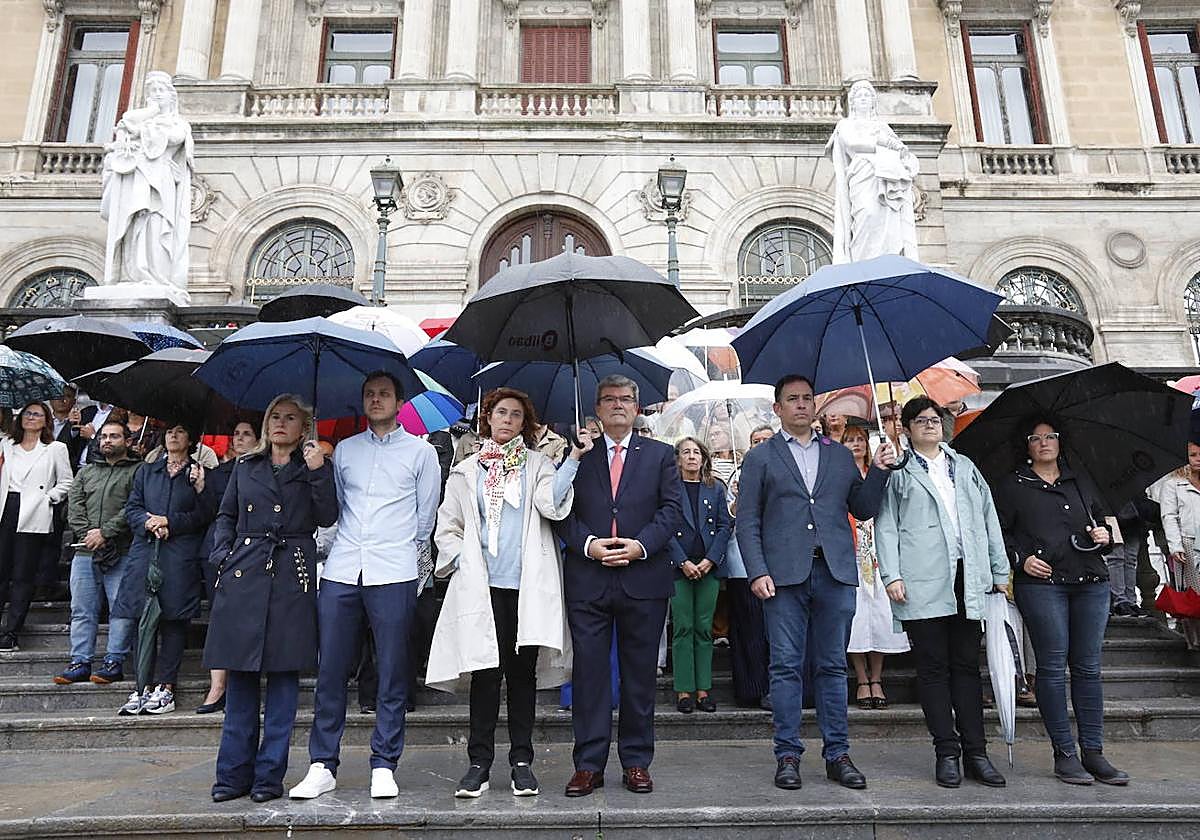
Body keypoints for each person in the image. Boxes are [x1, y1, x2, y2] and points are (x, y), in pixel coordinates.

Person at [429, 387, 590, 799]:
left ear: (525, 423)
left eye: (516, 415)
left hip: (525, 586)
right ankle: (478, 763)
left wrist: (573, 458)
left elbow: (553, 506)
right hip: (482, 588)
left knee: (521, 677)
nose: (507, 420)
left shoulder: (537, 465)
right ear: (488, 417)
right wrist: (462, 561)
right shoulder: (467, 468)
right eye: (501, 412)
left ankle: (522, 761)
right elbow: (448, 527)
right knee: (485, 674)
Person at [736, 374, 894, 791]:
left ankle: (837, 754)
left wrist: (878, 470)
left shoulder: (839, 456)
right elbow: (747, 520)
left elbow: (861, 509)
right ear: (778, 408)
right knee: (785, 667)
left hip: (836, 573)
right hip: (783, 578)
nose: (802, 405)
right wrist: (757, 571)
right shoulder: (761, 457)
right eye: (793, 399)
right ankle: (787, 755)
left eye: (808, 399)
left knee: (832, 666)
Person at [289, 372, 441, 801]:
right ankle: (322, 763)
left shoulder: (421, 452)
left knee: (393, 670)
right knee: (331, 670)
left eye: (384, 394)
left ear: (399, 402)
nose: (376, 400)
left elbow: (425, 517)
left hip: (393, 569)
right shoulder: (346, 452)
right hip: (342, 569)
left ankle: (384, 761)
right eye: (370, 394)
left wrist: (415, 570)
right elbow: (334, 509)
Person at [555, 374, 683, 797]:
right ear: (596, 408)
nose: (617, 405)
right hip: (589, 579)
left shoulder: (662, 455)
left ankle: (635, 761)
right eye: (609, 399)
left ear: (637, 406)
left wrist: (640, 546)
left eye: (625, 399)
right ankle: (588, 764)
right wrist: (589, 546)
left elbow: (671, 511)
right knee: (590, 677)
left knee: (639, 678)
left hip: (642, 578)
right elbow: (559, 512)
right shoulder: (578, 457)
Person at [204, 395, 337, 803]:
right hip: (243, 572)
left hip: (290, 576)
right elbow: (226, 514)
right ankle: (231, 776)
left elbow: (327, 516)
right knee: (240, 681)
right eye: (275, 417)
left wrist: (317, 472)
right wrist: (222, 554)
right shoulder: (247, 466)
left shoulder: (312, 467)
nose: (281, 424)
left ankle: (267, 777)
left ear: (303, 429)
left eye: (290, 419)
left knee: (282, 685)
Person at [874, 397, 1008, 789]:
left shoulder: (964, 467)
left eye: (935, 419)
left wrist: (999, 569)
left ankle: (977, 753)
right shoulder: (899, 470)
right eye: (921, 420)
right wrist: (892, 575)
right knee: (932, 670)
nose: (930, 425)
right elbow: (886, 524)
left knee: (967, 668)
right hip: (922, 578)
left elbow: (988, 517)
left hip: (968, 576)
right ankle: (946, 751)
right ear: (907, 427)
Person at [992, 416, 1128, 786]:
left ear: (1060, 441)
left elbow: (1104, 522)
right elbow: (997, 533)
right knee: (1051, 668)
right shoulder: (1012, 485)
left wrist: (1104, 534)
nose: (1044, 442)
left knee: (1088, 668)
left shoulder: (1080, 478)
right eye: (1036, 438)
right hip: (1043, 584)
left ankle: (1094, 752)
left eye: (1050, 436)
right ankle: (1065, 753)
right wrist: (1020, 558)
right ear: (1027, 445)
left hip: (1090, 580)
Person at [115, 421, 206, 715]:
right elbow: (132, 507)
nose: (174, 436)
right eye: (170, 432)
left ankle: (165, 687)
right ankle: (141, 686)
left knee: (173, 619)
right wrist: (148, 522)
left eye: (180, 431)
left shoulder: (199, 474)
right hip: (146, 552)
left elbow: (204, 514)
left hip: (179, 554)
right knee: (142, 619)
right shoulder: (147, 470)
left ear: (190, 439)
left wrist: (171, 522)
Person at [55, 420, 142, 685]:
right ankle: (80, 661)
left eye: (114, 436)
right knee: (81, 609)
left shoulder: (138, 471)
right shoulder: (87, 471)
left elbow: (133, 507)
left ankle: (114, 661)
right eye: (103, 436)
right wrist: (88, 534)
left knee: (120, 609)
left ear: (127, 441)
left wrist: (105, 532)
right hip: (85, 552)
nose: (106, 441)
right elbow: (74, 506)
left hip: (121, 550)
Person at [194, 419, 260, 714]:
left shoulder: (263, 470)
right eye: (236, 433)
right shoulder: (218, 473)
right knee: (220, 617)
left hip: (254, 552)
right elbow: (212, 513)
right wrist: (200, 486)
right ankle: (217, 686)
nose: (240, 438)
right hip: (220, 548)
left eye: (247, 434)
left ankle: (244, 684)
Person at [842, 421, 909, 712]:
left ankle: (877, 677)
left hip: (879, 549)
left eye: (859, 439)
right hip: (851, 550)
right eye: (849, 440)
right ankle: (861, 678)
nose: (855, 444)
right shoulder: (839, 474)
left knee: (881, 614)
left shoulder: (880, 471)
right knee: (857, 617)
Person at [0, 402, 74, 650]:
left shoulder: (55, 448)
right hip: (5, 508)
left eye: (37, 414)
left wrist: (48, 499)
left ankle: (11, 631)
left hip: (34, 509)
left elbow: (66, 482)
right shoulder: (6, 445)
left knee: (23, 574)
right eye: (27, 413)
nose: (30, 418)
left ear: (46, 421)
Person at [668, 437, 732, 714]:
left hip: (708, 567)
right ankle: (684, 690)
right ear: (678, 459)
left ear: (704, 458)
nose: (692, 456)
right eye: (686, 452)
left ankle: (703, 689)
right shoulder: (669, 489)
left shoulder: (715, 488)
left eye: (696, 452)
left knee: (704, 628)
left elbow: (724, 525)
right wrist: (682, 561)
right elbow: (664, 526)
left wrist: (710, 560)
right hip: (678, 568)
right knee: (683, 626)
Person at [827, 79, 920, 263]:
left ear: (872, 101)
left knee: (886, 222)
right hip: (861, 174)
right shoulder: (845, 125)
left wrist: (902, 153)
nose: (863, 98)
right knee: (866, 214)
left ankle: (885, 260)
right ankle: (863, 263)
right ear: (852, 102)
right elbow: (852, 144)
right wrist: (881, 143)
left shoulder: (882, 127)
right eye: (859, 95)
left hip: (883, 178)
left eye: (867, 95)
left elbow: (901, 152)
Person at [725, 425, 774, 710]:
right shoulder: (736, 476)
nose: (760, 445)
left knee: (771, 631)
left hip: (775, 564)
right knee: (747, 631)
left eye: (766, 440)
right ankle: (749, 688)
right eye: (755, 441)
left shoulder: (781, 470)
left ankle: (772, 687)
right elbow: (728, 519)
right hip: (741, 566)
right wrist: (737, 500)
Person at [1153, 441, 1200, 648]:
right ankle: (1195, 641)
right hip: (1188, 544)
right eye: (1193, 455)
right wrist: (1175, 546)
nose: (1198, 459)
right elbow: (1169, 517)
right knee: (1193, 595)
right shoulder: (1173, 484)